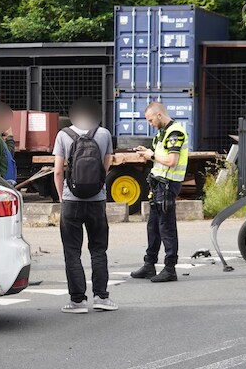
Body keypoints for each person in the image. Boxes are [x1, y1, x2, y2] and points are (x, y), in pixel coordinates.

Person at [52, 98, 117, 314]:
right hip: (97, 201)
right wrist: (98, 184)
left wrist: (63, 196)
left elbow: (58, 171)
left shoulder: (63, 135)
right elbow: (106, 164)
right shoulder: (104, 134)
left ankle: (77, 301)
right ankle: (101, 297)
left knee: (72, 252)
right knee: (98, 250)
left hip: (71, 201)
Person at [131, 101, 188, 283]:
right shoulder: (161, 134)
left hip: (168, 185)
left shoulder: (175, 132)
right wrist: (147, 152)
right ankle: (149, 265)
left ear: (159, 115)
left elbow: (171, 160)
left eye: (150, 120)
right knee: (153, 226)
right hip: (158, 185)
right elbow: (158, 156)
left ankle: (170, 268)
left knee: (166, 227)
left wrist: (152, 155)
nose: (150, 124)